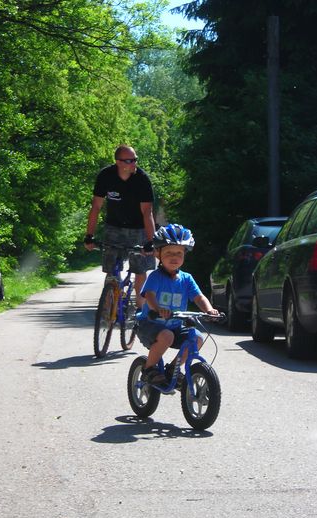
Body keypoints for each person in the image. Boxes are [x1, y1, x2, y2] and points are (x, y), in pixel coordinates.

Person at [136, 223, 219, 387]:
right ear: (158, 254)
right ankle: (149, 369)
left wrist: (209, 310)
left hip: (174, 326)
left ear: (184, 255)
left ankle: (173, 368)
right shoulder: (155, 276)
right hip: (149, 323)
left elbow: (199, 297)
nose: (174, 257)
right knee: (167, 336)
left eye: (179, 253)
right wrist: (157, 309)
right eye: (168, 253)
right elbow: (150, 296)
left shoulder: (186, 278)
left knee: (197, 338)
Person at [84, 144, 156, 308]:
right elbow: (96, 207)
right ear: (118, 162)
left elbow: (147, 212)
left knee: (139, 269)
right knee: (111, 270)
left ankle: (140, 308)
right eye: (130, 160)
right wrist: (89, 235)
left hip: (138, 228)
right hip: (114, 227)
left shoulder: (142, 179)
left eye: (135, 159)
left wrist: (150, 241)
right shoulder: (105, 176)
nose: (134, 164)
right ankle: (110, 308)